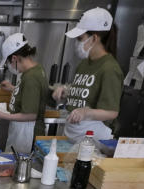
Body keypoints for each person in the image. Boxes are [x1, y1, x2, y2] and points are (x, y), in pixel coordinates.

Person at [51, 7, 122, 144]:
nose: (77, 43)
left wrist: (86, 112)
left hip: (92, 139)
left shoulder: (110, 68)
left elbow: (112, 112)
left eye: (80, 38)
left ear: (94, 38)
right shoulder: (84, 64)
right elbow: (85, 94)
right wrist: (65, 92)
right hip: (72, 132)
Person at [0, 33, 48, 154]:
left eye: (9, 63)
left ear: (14, 58)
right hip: (22, 130)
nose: (10, 66)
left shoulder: (31, 76)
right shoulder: (33, 71)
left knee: (20, 167)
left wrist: (3, 115)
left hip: (27, 133)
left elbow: (30, 115)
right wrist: (13, 88)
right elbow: (30, 93)